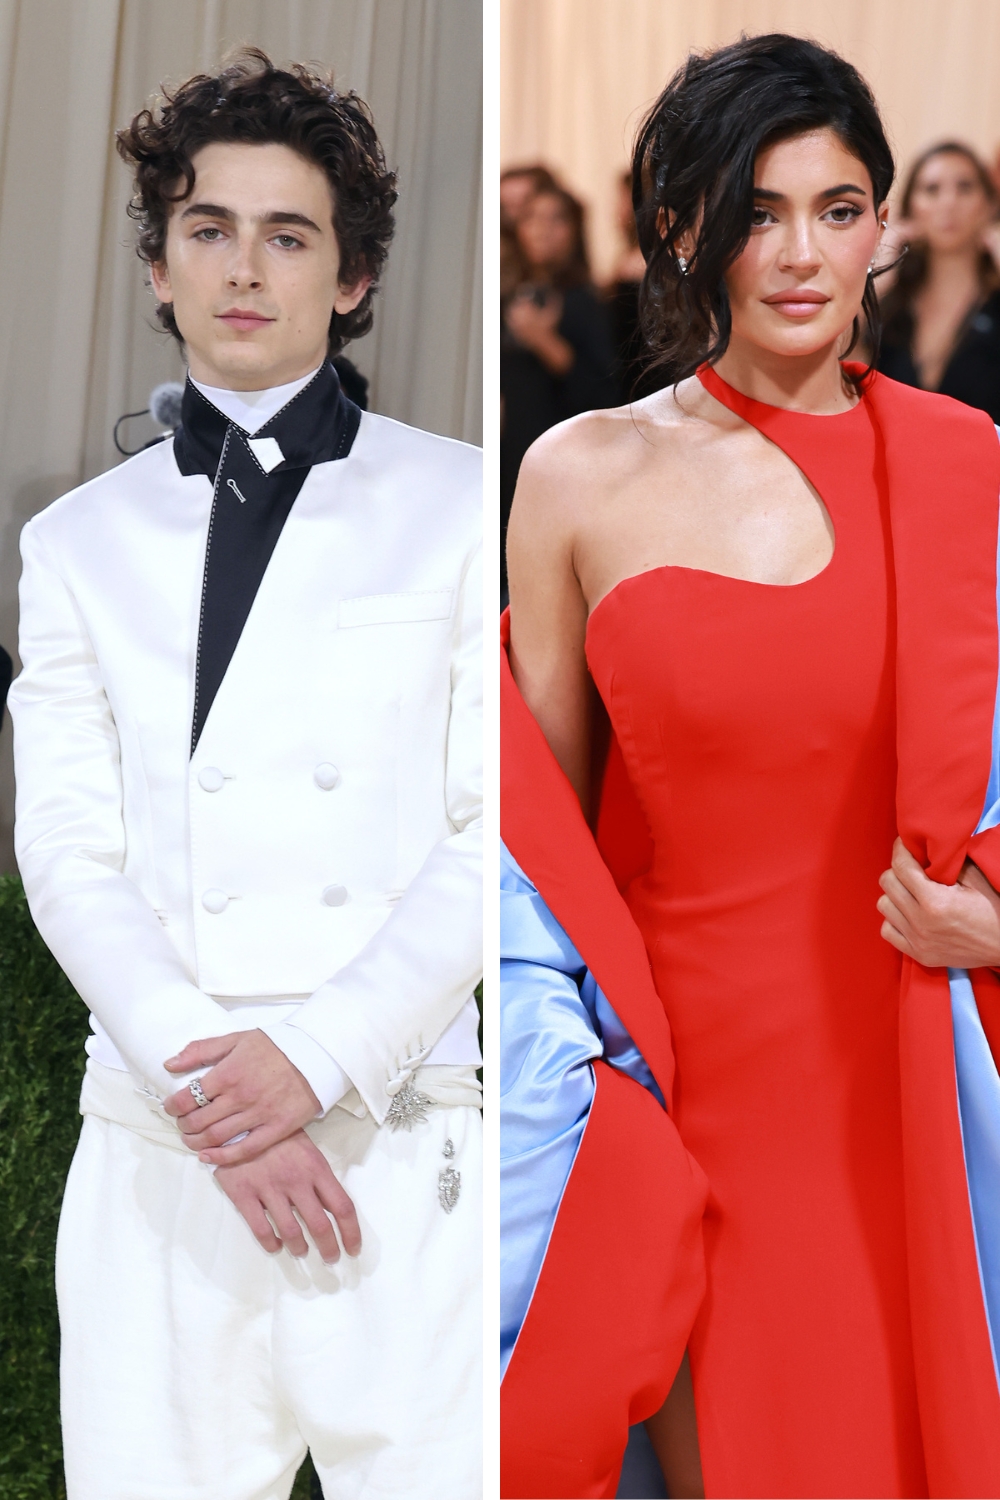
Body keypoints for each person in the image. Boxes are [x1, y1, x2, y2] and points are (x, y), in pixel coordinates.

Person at [501, 33, 1000, 1500]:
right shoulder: (579, 474)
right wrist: (575, 1092)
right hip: (680, 1097)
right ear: (682, 228)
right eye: (755, 211)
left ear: (883, 228)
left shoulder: (969, 467)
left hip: (913, 1072)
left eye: (838, 209)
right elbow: (540, 842)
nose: (800, 255)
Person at [9, 49, 482, 1500]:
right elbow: (69, 853)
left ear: (349, 280)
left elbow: (490, 831)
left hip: (399, 1142)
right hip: (164, 1154)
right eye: (209, 229)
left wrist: (318, 1064)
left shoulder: (466, 498)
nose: (244, 267)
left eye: (291, 235)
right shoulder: (72, 542)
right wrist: (221, 1097)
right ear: (157, 267)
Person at [501, 184, 618, 595]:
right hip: (509, 463)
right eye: (532, 217)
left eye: (556, 219)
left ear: (574, 231)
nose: (542, 229)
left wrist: (546, 343)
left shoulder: (588, 301)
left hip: (565, 471)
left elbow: (605, 397)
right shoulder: (512, 294)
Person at [877, 141, 1000, 419]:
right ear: (910, 208)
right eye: (931, 189)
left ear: (989, 205)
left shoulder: (996, 305)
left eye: (965, 187)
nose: (949, 203)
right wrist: (879, 278)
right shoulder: (889, 306)